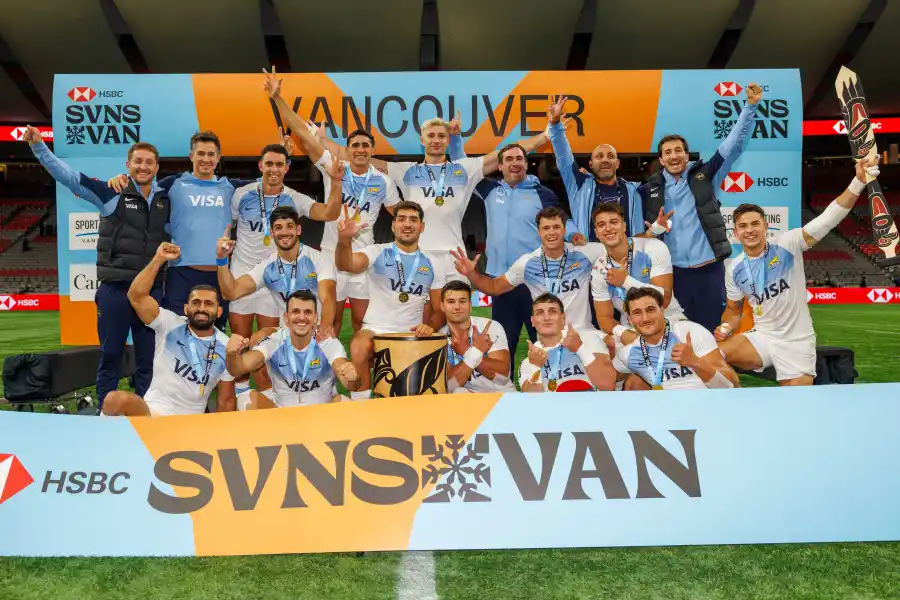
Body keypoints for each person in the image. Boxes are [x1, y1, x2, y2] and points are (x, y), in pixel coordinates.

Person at [22, 125, 169, 410]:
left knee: (149, 359)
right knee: (111, 355)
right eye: (138, 161)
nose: (143, 166)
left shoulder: (165, 199)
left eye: (149, 162)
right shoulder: (111, 192)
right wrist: (39, 147)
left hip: (151, 291)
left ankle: (148, 414)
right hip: (115, 289)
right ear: (128, 165)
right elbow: (70, 178)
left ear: (157, 167)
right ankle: (107, 413)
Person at [716, 158, 879, 386]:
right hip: (762, 337)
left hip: (797, 341)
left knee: (796, 403)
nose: (750, 230)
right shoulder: (734, 268)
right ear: (736, 232)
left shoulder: (788, 244)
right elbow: (733, 311)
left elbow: (828, 219)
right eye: (743, 226)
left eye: (755, 224)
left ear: (765, 226)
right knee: (711, 358)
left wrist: (858, 182)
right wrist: (726, 326)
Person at [265, 74, 401, 335]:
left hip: (362, 257)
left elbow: (399, 215)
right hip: (330, 254)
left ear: (372, 150)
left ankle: (364, 374)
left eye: (365, 145)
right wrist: (278, 98)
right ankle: (328, 373)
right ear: (348, 150)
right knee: (331, 322)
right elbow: (305, 135)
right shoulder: (335, 168)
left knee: (364, 323)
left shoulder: (383, 182)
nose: (360, 149)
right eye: (355, 145)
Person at [639, 83, 763, 332]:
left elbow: (732, 145)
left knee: (712, 329)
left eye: (678, 151)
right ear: (661, 160)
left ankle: (716, 370)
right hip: (673, 273)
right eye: (667, 152)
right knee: (679, 331)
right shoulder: (647, 189)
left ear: (687, 155)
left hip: (709, 270)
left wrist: (750, 106)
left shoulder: (706, 175)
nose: (674, 156)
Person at [109, 131, 263, 330]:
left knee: (214, 335)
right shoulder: (173, 183)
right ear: (191, 156)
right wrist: (121, 178)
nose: (205, 159)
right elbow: (142, 187)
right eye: (200, 154)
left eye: (210, 154)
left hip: (220, 274)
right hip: (181, 273)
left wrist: (285, 153)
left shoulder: (231, 187)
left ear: (218, 158)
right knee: (174, 332)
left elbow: (268, 184)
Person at [448, 141, 577, 372]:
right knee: (504, 345)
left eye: (519, 158)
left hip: (535, 282)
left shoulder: (542, 193)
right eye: (509, 159)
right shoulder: (489, 190)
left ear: (526, 163)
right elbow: (464, 168)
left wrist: (576, 234)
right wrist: (456, 138)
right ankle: (505, 393)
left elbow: (560, 219)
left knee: (547, 342)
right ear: (499, 166)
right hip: (501, 283)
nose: (514, 163)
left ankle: (553, 388)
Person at [228, 142, 341, 369]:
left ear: (287, 168)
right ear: (260, 165)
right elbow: (227, 226)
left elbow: (329, 212)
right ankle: (240, 395)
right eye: (269, 163)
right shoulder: (241, 194)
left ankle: (271, 395)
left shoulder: (294, 198)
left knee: (267, 348)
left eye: (279, 164)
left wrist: (336, 181)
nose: (274, 169)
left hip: (272, 279)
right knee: (239, 345)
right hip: (242, 274)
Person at [101, 242, 236, 416]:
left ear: (218, 312)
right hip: (154, 414)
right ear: (186, 309)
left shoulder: (226, 346)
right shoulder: (170, 323)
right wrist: (158, 260)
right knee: (115, 400)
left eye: (208, 304)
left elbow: (226, 401)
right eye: (196, 303)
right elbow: (136, 296)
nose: (201, 308)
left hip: (190, 425)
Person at [335, 201, 446, 399]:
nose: (407, 224)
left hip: (412, 333)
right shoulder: (377, 252)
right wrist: (344, 241)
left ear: (422, 227)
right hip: (376, 329)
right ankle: (362, 408)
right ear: (393, 225)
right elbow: (346, 264)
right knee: (358, 344)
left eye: (413, 219)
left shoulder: (433, 262)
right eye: (401, 219)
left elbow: (440, 310)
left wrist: (430, 326)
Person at [452, 207, 602, 330]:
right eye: (546, 228)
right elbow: (495, 286)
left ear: (564, 230)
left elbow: (618, 250)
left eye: (556, 227)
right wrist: (471, 273)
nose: (551, 232)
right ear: (539, 232)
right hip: (548, 339)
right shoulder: (527, 263)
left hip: (583, 333)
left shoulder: (584, 253)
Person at [225, 290, 360, 408]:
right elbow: (238, 368)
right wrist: (232, 355)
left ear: (315, 318)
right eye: (296, 312)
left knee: (345, 402)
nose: (301, 317)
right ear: (286, 318)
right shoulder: (275, 341)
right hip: (282, 413)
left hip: (321, 413)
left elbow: (350, 384)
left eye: (307, 312)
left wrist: (352, 379)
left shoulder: (328, 343)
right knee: (246, 399)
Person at [216, 205, 337, 333]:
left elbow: (328, 299)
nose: (284, 232)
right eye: (278, 228)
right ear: (272, 233)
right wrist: (222, 259)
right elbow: (231, 292)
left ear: (298, 230)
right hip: (286, 334)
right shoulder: (268, 266)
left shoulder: (318, 259)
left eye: (290, 226)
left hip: (317, 329)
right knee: (260, 337)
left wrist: (323, 329)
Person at [546, 95, 650, 239]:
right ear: (590, 164)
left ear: (618, 163)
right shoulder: (578, 185)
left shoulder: (634, 190)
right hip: (588, 257)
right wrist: (555, 124)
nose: (605, 160)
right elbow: (563, 157)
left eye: (610, 156)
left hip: (625, 258)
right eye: (599, 156)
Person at [589, 203, 685, 343]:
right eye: (602, 224)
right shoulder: (599, 268)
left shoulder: (653, 247)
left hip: (668, 320)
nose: (608, 228)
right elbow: (604, 318)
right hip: (631, 329)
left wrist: (626, 281)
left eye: (614, 222)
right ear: (596, 232)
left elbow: (665, 299)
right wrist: (624, 333)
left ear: (624, 226)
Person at [613, 287, 738, 390]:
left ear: (662, 310)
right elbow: (610, 376)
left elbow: (731, 385)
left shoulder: (689, 332)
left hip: (706, 406)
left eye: (650, 310)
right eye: (637, 313)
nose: (645, 318)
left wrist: (695, 362)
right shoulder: (629, 354)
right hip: (668, 411)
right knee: (633, 384)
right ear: (630, 319)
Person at [518, 293, 616, 392]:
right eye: (540, 313)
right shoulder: (530, 361)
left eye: (552, 312)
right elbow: (532, 402)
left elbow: (607, 384)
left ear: (563, 317)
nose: (546, 318)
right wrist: (537, 367)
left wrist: (580, 348)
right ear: (532, 321)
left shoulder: (589, 339)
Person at [439, 280, 515, 394]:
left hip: (500, 394)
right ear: (442, 306)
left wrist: (465, 351)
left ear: (470, 305)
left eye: (462, 301)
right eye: (451, 302)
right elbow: (449, 386)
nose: (457, 307)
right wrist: (475, 352)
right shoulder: (439, 338)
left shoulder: (490, 327)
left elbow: (502, 378)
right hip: (468, 396)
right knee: (458, 392)